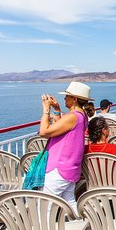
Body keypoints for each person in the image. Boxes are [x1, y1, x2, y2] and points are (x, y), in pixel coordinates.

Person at [39, 82, 91, 214]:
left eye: (67, 96)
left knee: (44, 207)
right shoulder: (82, 115)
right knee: (69, 201)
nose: (64, 99)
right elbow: (60, 127)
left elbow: (44, 132)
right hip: (70, 166)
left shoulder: (73, 117)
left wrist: (46, 110)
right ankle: (80, 227)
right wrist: (57, 110)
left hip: (59, 167)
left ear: (74, 99)